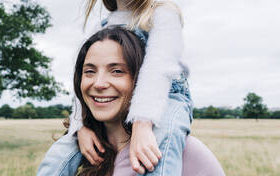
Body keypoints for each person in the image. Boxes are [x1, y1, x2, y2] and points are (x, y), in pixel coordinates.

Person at [68, 0, 192, 175]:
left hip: (168, 100)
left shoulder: (163, 14)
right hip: (117, 105)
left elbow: (158, 67)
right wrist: (79, 126)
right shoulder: (100, 28)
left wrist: (143, 123)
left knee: (159, 146)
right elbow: (82, 77)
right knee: (60, 152)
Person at [37, 27, 225, 176]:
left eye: (117, 71)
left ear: (141, 81)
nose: (99, 83)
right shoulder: (79, 151)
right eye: (90, 71)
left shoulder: (187, 153)